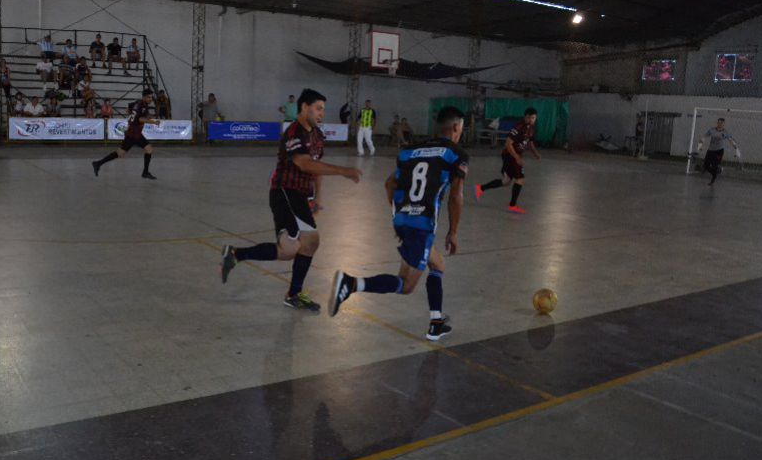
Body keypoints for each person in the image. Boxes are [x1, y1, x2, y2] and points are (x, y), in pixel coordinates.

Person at [328, 106, 468, 341]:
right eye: (461, 128)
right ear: (456, 128)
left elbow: (388, 184)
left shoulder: (410, 151)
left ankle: (436, 321)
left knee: (438, 264)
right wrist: (453, 232)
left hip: (404, 219)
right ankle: (351, 284)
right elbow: (456, 196)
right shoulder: (455, 153)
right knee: (405, 286)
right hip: (421, 225)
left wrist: (399, 214)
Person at [220, 88, 363, 311]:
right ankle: (293, 293)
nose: (321, 114)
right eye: (318, 108)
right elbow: (304, 163)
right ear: (304, 107)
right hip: (284, 192)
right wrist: (343, 171)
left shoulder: (317, 134)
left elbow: (316, 169)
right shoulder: (294, 133)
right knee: (308, 242)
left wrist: (317, 197)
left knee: (289, 250)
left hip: (300, 195)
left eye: (323, 110)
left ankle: (236, 254)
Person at [474, 107, 541, 214]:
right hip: (510, 155)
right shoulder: (519, 127)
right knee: (520, 179)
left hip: (514, 156)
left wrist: (535, 153)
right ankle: (512, 206)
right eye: (530, 117)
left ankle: (480, 188)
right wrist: (517, 157)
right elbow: (508, 144)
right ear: (525, 117)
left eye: (534, 118)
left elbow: (530, 142)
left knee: (506, 182)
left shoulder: (531, 128)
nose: (532, 119)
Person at [92, 89, 159, 180]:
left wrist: (130, 111)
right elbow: (140, 119)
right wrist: (153, 122)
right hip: (134, 134)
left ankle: (98, 163)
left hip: (132, 132)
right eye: (149, 97)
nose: (150, 99)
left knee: (120, 153)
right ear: (144, 97)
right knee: (149, 149)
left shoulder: (138, 103)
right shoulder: (142, 105)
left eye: (151, 97)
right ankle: (145, 172)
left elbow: (130, 108)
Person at [696, 117, 740, 186]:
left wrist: (736, 149)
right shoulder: (712, 130)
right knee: (706, 165)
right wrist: (700, 144)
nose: (720, 124)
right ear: (717, 123)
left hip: (719, 151)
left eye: (721, 123)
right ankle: (716, 172)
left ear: (723, 124)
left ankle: (713, 178)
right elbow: (704, 137)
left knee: (714, 165)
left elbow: (731, 140)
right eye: (718, 123)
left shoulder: (725, 132)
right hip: (710, 150)